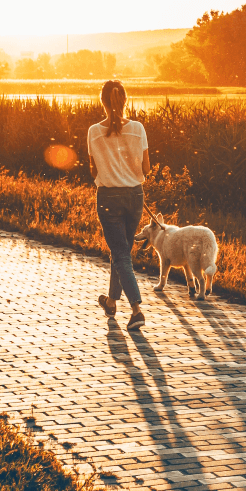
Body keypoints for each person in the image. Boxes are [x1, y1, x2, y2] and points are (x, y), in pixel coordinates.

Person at [88, 80, 150, 330]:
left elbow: (93, 169)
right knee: (121, 251)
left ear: (102, 102)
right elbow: (146, 168)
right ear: (125, 100)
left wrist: (111, 172)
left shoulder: (94, 131)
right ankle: (112, 301)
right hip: (135, 196)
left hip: (109, 198)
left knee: (121, 253)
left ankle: (136, 310)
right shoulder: (138, 128)